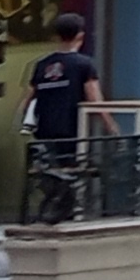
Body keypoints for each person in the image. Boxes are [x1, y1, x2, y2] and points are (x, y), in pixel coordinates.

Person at [25, 15, 103, 219]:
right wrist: (111, 127)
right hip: (72, 129)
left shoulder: (42, 65)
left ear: (57, 36)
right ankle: (62, 214)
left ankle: (52, 211)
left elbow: (28, 97)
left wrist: (23, 124)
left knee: (50, 172)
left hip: (45, 129)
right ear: (80, 36)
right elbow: (95, 100)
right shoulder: (84, 64)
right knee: (70, 173)